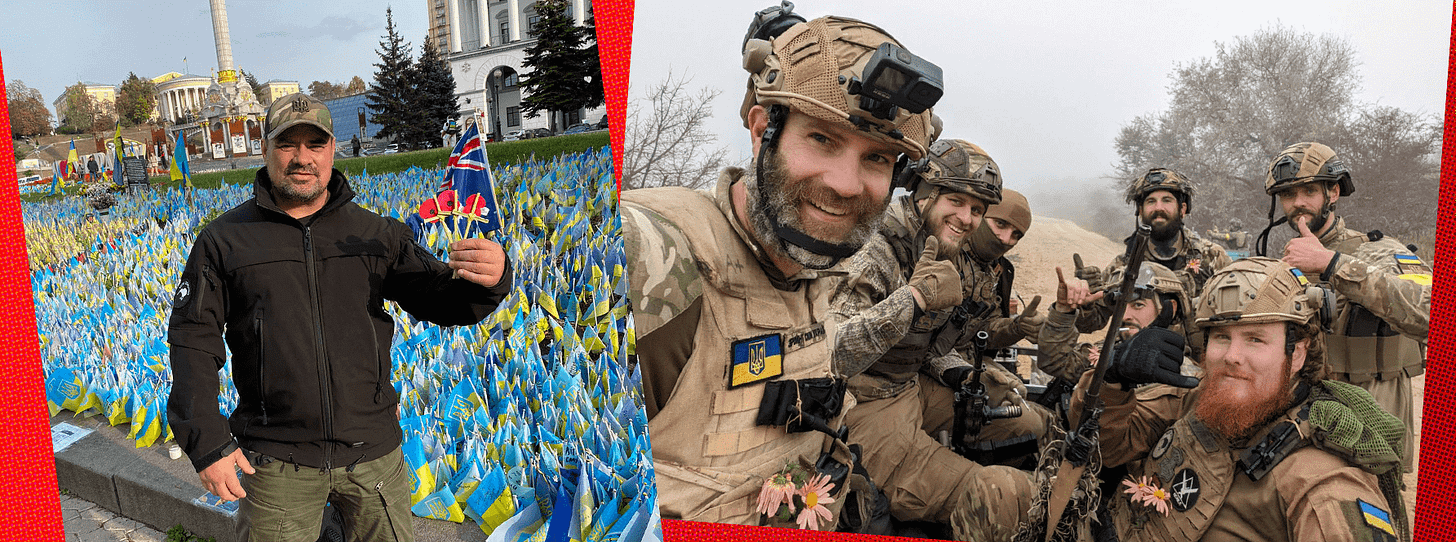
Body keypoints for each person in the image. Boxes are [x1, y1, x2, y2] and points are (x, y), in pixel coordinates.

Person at [620, 5, 942, 529]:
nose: (845, 182)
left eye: (877, 158)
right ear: (761, 127)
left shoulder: (826, 267)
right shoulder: (656, 257)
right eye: (822, 139)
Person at [166, 92, 512, 542]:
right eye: (288, 144)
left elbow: (438, 299)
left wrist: (490, 280)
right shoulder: (224, 242)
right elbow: (194, 340)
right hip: (277, 462)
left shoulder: (374, 233)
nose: (302, 158)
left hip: (374, 458)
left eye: (315, 144)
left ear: (333, 150)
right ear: (266, 150)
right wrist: (207, 441)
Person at [1077, 257, 1408, 542]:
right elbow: (1105, 444)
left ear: (1297, 354)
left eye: (1255, 339)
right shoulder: (1197, 398)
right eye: (1222, 337)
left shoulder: (1321, 482)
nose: (1232, 357)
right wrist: (1112, 379)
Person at [828, 140, 1043, 539]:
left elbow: (931, 347)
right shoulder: (873, 247)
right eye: (957, 201)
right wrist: (915, 298)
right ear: (925, 193)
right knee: (1005, 497)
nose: (966, 217)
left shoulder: (940, 246)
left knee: (1030, 421)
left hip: (911, 389)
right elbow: (833, 355)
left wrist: (965, 374)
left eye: (977, 209)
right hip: (863, 406)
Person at [1256, 141, 1430, 471]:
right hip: (1307, 412)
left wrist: (1332, 264)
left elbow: (1432, 312)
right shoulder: (1285, 263)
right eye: (1288, 195)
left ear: (1333, 193)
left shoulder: (1380, 251)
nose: (1297, 203)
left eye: (1308, 190)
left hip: (1373, 412)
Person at [1074, 168, 1231, 333]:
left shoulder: (1211, 256)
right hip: (1138, 354)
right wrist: (1085, 303)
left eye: (1167, 200)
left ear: (1182, 209)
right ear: (1140, 211)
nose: (1158, 208)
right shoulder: (1125, 264)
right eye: (1151, 201)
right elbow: (1089, 324)